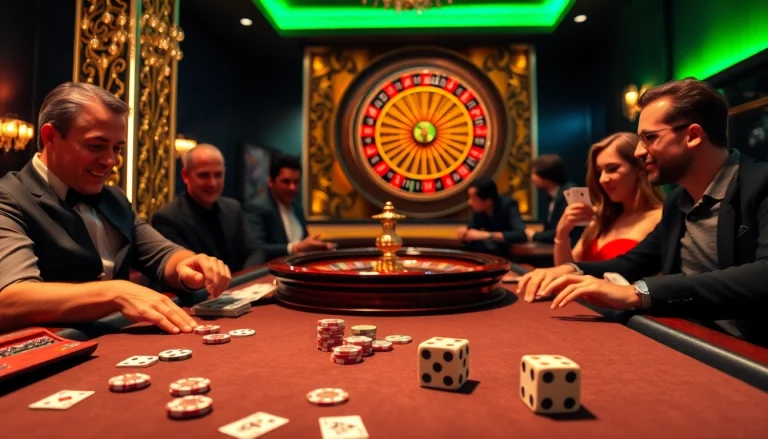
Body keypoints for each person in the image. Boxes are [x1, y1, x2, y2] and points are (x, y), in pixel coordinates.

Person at [516, 78, 768, 344]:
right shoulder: (677, 202)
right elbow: (633, 263)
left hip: (750, 356)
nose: (638, 151)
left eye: (649, 138)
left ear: (693, 136)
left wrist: (639, 292)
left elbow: (764, 275)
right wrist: (571, 268)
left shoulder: (761, 183)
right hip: (686, 339)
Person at [0, 82, 231, 335]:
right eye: (96, 146)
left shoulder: (115, 198)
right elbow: (10, 298)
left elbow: (163, 255)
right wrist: (117, 293)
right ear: (51, 137)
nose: (110, 161)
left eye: (117, 148)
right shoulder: (9, 198)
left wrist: (190, 264)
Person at [553, 132, 663, 266]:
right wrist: (562, 233)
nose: (602, 179)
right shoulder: (602, 218)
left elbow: (658, 281)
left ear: (640, 168)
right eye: (599, 172)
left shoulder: (661, 217)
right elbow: (565, 271)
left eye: (612, 169)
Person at [152, 144, 266, 272]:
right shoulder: (168, 218)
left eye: (218, 175)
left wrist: (243, 283)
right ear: (185, 175)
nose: (212, 183)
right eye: (204, 175)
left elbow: (255, 251)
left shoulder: (233, 208)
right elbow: (185, 271)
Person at [244, 154, 335, 260]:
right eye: (286, 182)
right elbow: (257, 248)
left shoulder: (297, 208)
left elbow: (304, 242)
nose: (292, 187)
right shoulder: (256, 207)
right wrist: (293, 248)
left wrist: (319, 246)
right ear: (271, 182)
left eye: (296, 182)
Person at [456, 176, 527, 258]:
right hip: (488, 255)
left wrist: (488, 235)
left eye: (474, 199)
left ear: (488, 201)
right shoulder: (479, 211)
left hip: (510, 257)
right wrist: (464, 230)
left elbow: (521, 235)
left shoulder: (508, 205)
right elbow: (471, 227)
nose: (470, 203)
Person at [526, 154, 581, 244]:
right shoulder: (552, 195)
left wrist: (535, 235)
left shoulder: (570, 194)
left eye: (534, 173)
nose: (532, 178)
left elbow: (568, 229)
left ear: (546, 176)